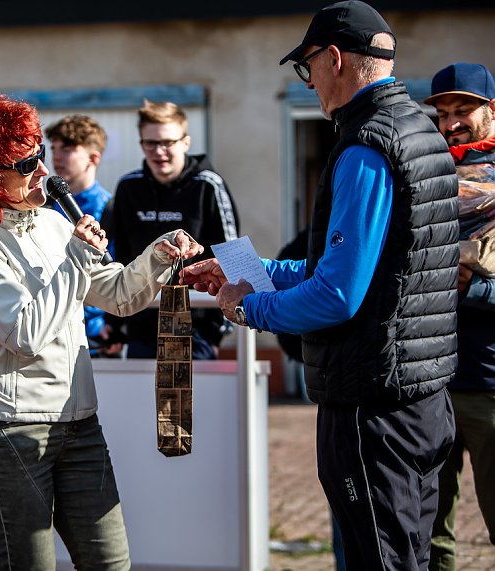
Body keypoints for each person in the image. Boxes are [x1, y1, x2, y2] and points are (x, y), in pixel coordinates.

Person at [181, 2, 458, 569]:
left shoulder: (366, 146)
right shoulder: (420, 131)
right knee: (411, 556)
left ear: (334, 58)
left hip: (371, 407)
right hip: (422, 396)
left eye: (307, 68)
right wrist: (243, 269)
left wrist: (247, 307)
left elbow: (336, 295)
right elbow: (361, 271)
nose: (309, 86)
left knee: (379, 560)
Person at [0, 93, 203, 569]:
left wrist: (160, 255)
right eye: (24, 163)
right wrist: (78, 259)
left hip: (79, 424)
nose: (41, 170)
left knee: (111, 564)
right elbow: (24, 334)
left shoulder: (51, 221)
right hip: (7, 430)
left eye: (39, 154)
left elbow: (121, 295)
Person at [423, 62, 495, 571]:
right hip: (429, 380)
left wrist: (480, 286)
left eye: (463, 110)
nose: (451, 123)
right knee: (428, 534)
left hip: (490, 383)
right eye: (443, 113)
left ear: (491, 110)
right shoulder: (428, 173)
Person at [106, 99, 239, 359]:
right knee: (142, 401)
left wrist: (216, 333)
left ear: (186, 142)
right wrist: (115, 324)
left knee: (192, 402)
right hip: (141, 327)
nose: (159, 151)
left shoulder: (208, 185)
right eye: (150, 143)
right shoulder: (128, 187)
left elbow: (231, 255)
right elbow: (116, 257)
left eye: (167, 142)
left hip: (196, 326)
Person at [44, 114, 121, 356]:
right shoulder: (41, 206)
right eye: (54, 147)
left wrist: (113, 325)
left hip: (96, 339)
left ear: (93, 158)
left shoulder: (111, 208)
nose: (56, 155)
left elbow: (117, 270)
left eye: (67, 148)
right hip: (47, 328)